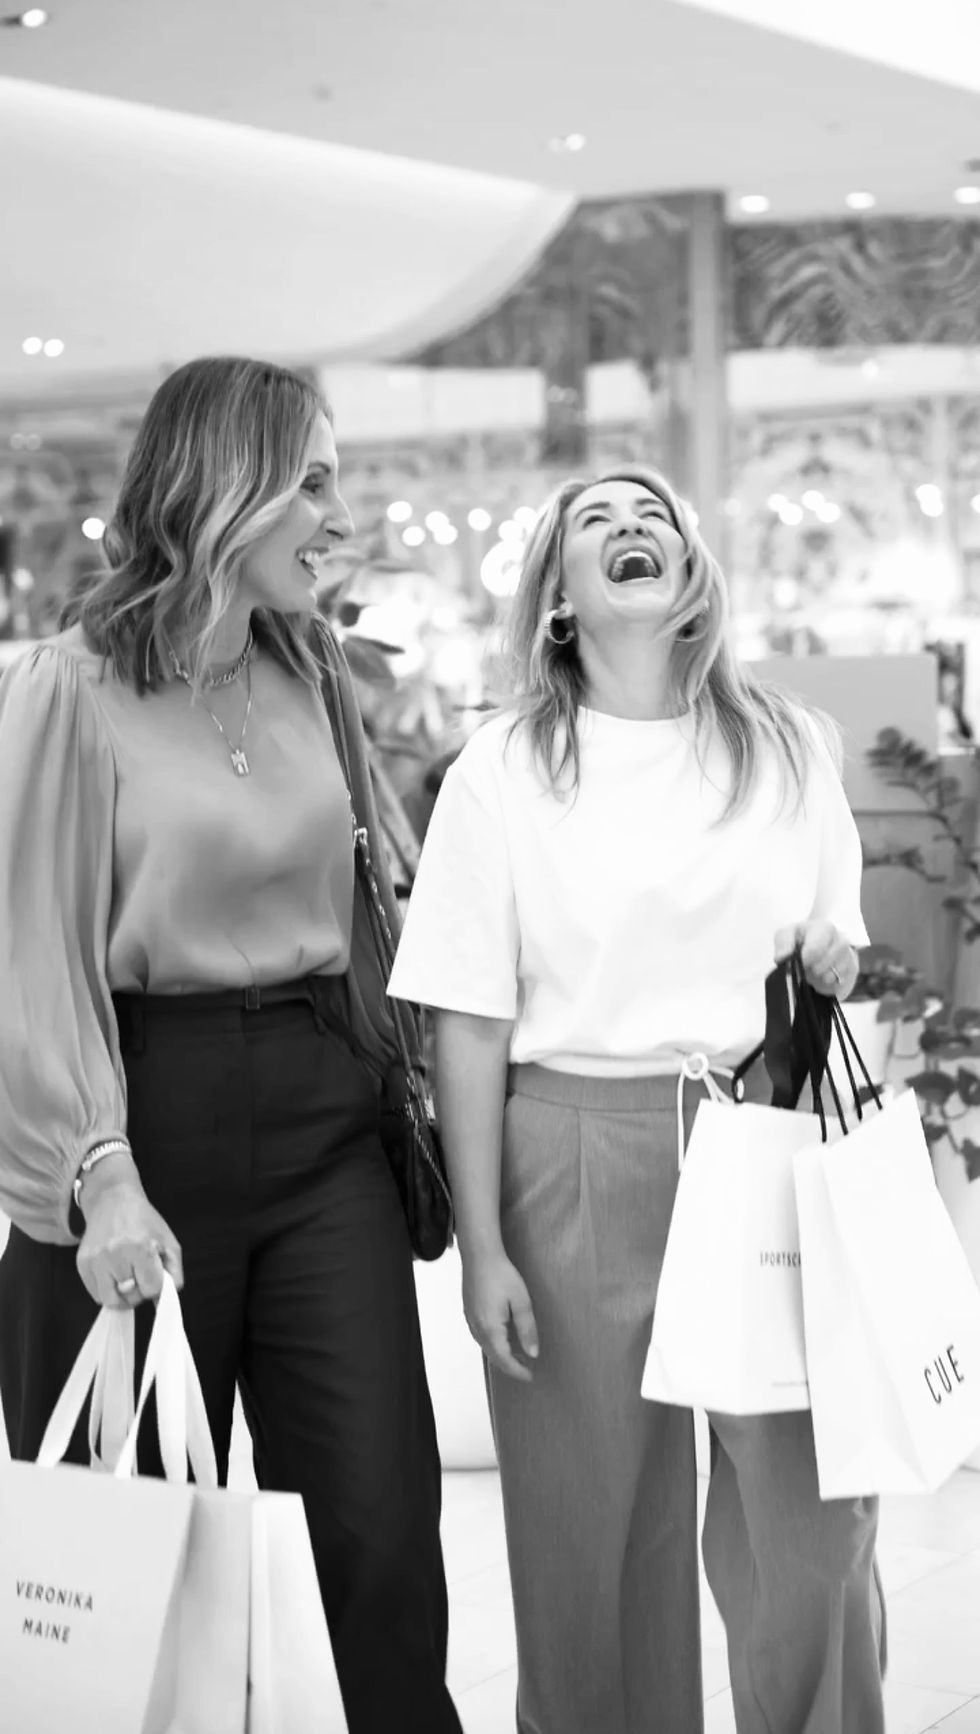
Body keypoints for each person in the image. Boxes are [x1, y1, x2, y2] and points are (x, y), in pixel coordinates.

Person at [0, 356, 462, 1734]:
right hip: (143, 1126)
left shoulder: (310, 671)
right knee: (132, 1559)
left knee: (377, 1531)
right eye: (313, 479)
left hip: (330, 1124)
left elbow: (388, 887)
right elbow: (30, 960)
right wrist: (98, 1169)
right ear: (224, 489)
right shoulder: (65, 690)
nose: (339, 513)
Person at [387, 465, 886, 1734]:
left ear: (689, 573)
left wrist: (833, 955)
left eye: (653, 516)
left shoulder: (784, 744)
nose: (630, 529)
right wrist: (484, 1245)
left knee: (810, 1521)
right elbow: (466, 1015)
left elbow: (834, 938)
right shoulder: (500, 768)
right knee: (587, 1533)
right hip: (572, 1147)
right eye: (595, 522)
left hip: (759, 1135)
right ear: (557, 594)